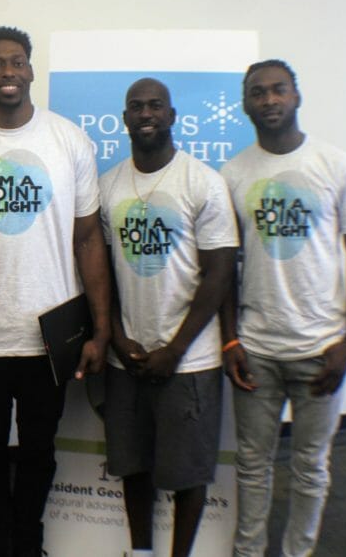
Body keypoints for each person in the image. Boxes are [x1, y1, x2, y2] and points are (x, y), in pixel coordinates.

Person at [0, 26, 111, 556]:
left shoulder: (69, 140)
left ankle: (29, 540)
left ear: (31, 70)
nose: (7, 72)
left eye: (16, 63)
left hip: (49, 336)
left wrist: (101, 329)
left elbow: (88, 239)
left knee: (39, 448)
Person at [220, 60, 346, 557]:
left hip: (322, 348)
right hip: (258, 350)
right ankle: (248, 552)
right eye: (258, 93)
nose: (269, 100)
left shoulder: (337, 166)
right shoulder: (233, 175)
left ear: (296, 96)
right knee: (252, 464)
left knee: (311, 466)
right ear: (245, 104)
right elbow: (224, 268)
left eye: (278, 90)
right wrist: (231, 339)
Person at [99, 78, 238, 557]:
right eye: (136, 106)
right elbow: (102, 276)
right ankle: (142, 551)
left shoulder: (203, 182)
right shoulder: (109, 185)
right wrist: (117, 339)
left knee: (187, 473)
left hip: (190, 359)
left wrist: (175, 349)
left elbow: (219, 274)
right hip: (129, 359)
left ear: (173, 116)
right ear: (124, 120)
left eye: (155, 105)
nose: (146, 113)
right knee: (134, 467)